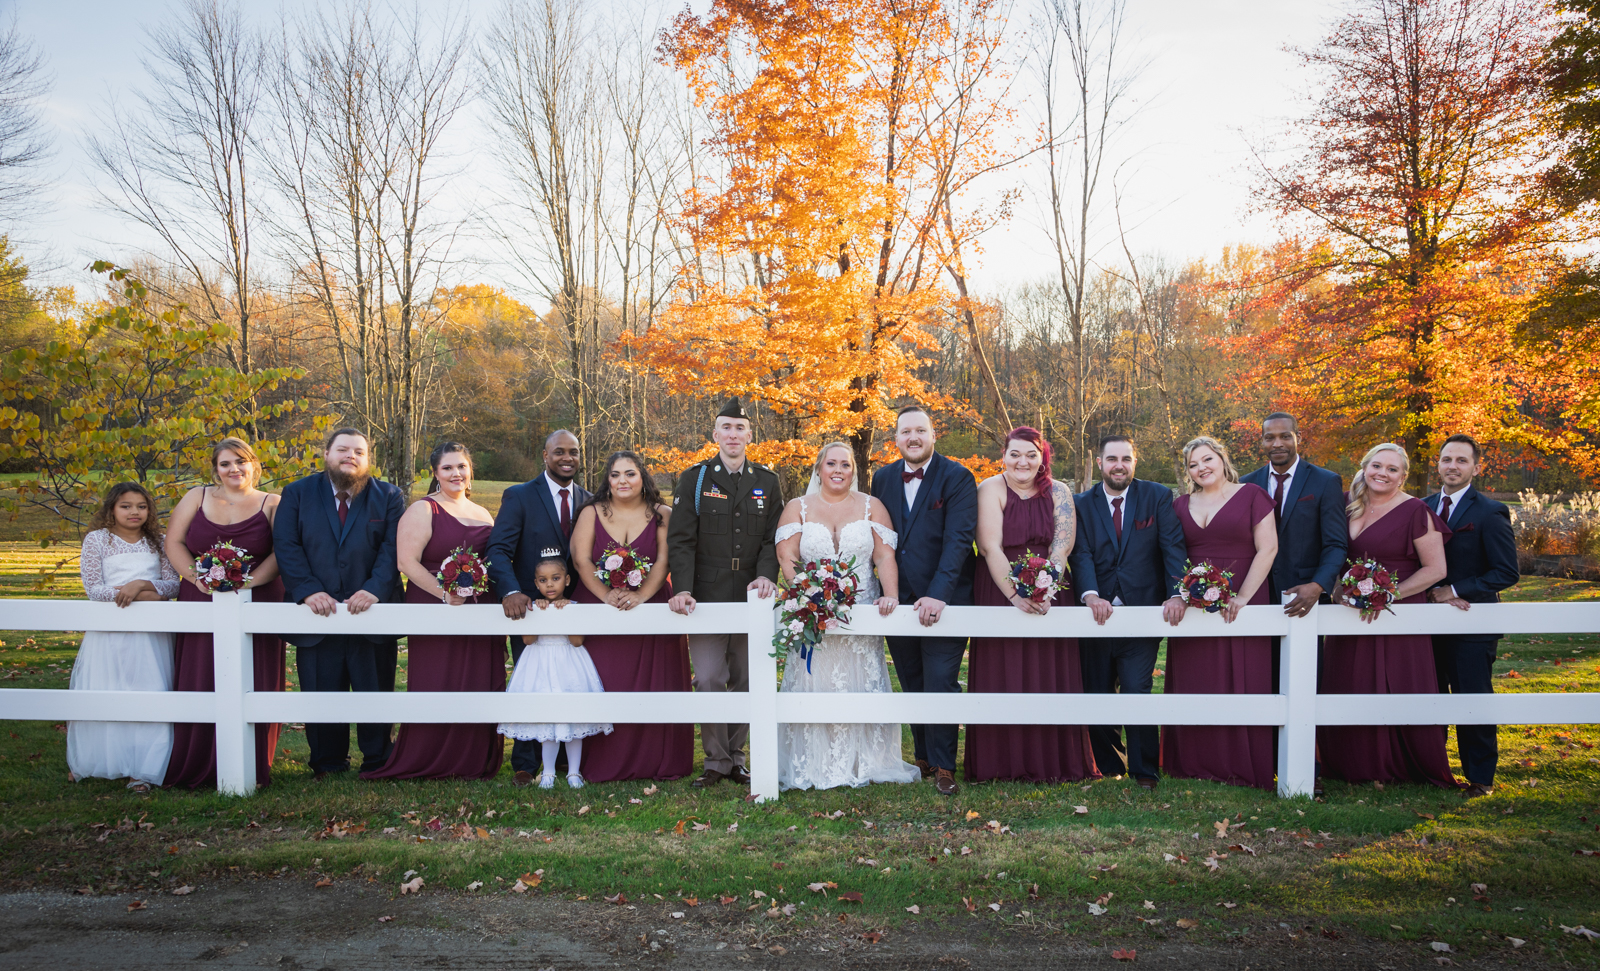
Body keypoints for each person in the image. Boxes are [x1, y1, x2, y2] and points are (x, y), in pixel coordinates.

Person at [773, 442, 919, 791]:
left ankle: (864, 760)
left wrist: (891, 595)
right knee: (816, 681)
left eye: (846, 464)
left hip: (861, 612)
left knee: (859, 680)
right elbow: (787, 555)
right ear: (819, 469)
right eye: (831, 464)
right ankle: (812, 761)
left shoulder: (872, 506)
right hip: (813, 615)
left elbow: (884, 558)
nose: (838, 470)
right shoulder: (798, 507)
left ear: (854, 470)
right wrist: (807, 596)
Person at [363, 443, 504, 781]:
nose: (456, 474)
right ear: (436, 474)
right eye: (448, 468)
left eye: (462, 467)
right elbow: (405, 562)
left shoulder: (483, 514)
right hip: (435, 606)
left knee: (477, 680)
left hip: (479, 609)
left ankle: (472, 757)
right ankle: (432, 754)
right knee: (439, 677)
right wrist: (445, 594)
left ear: (470, 471)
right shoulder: (424, 510)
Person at [1320, 442, 1458, 789]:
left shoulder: (1415, 512)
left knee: (1396, 682)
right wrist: (1338, 588)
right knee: (1349, 681)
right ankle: (1348, 762)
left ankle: (1401, 763)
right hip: (1349, 613)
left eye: (1392, 469)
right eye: (1376, 466)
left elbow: (1435, 569)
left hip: (1398, 612)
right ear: (1364, 467)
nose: (1382, 473)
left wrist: (1387, 594)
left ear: (1403, 476)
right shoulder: (1346, 505)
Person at [965, 427, 1098, 784]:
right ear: (1004, 456)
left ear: (1043, 457)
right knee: (1002, 667)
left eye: (1031, 454)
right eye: (1015, 454)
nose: (1023, 461)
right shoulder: (990, 488)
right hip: (999, 586)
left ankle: (1055, 762)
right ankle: (999, 764)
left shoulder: (1059, 491)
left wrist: (1045, 587)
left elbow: (1062, 546)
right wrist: (1014, 594)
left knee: (1049, 667)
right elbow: (990, 546)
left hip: (1050, 588)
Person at [273, 427, 406, 780]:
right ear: (327, 454)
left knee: (374, 688)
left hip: (373, 612)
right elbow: (287, 545)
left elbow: (393, 548)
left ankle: (378, 759)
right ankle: (328, 762)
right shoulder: (297, 493)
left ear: (367, 459)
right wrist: (307, 589)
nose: (351, 456)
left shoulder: (388, 496)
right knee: (321, 688)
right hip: (318, 613)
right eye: (343, 449)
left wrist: (375, 589)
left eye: (359, 451)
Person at [667, 398, 784, 788]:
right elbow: (681, 540)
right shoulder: (695, 479)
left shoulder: (767, 481)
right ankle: (715, 760)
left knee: (748, 679)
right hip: (706, 596)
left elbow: (772, 539)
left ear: (750, 435)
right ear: (715, 434)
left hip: (752, 596)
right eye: (726, 428)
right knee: (711, 677)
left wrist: (769, 576)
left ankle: (736, 757)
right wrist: (682, 588)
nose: (733, 435)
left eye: (740, 428)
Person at [163, 438, 287, 789]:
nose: (235, 469)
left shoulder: (272, 503)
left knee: (254, 674)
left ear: (254, 465)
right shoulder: (196, 497)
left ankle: (253, 763)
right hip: (201, 596)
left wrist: (245, 584)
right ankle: (196, 759)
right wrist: (199, 580)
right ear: (215, 469)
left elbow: (282, 554)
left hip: (259, 596)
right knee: (201, 672)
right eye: (226, 464)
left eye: (241, 462)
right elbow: (174, 542)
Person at [869, 404, 977, 797]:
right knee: (912, 680)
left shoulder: (958, 477)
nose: (913, 438)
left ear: (933, 436)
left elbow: (959, 541)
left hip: (944, 598)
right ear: (896, 440)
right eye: (905, 432)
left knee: (941, 681)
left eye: (920, 431)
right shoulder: (881, 479)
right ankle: (924, 756)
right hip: (898, 600)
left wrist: (938, 595)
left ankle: (946, 765)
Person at [1070, 435, 1187, 790]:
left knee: (1138, 689)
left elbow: (1172, 548)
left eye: (1126, 458)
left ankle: (1144, 771)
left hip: (1142, 614)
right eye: (1112, 459)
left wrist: (1177, 593)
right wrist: (1090, 595)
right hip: (1095, 615)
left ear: (1135, 462)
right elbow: (1082, 553)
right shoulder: (1081, 503)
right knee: (1097, 690)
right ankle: (1109, 765)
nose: (1119, 465)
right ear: (1101, 463)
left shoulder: (1157, 496)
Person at [1162, 437, 1279, 790]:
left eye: (1207, 459)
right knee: (1197, 676)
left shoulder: (1253, 496)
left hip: (1243, 598)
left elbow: (1268, 547)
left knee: (1242, 676)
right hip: (1194, 602)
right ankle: (1194, 761)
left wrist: (1244, 596)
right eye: (1194, 464)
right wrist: (1180, 594)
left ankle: (1243, 762)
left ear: (1222, 458)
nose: (1202, 468)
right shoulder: (1180, 505)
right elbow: (1172, 554)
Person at [569, 450, 693, 782]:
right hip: (598, 606)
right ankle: (600, 761)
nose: (622, 481)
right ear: (606, 481)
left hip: (652, 607)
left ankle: (657, 759)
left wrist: (640, 596)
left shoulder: (663, 514)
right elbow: (582, 561)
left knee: (654, 684)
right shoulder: (591, 513)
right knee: (605, 680)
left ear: (643, 478)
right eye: (615, 475)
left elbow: (665, 560)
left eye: (630, 474)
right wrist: (606, 595)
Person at [486, 429, 592, 786]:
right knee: (532, 683)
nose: (567, 458)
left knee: (570, 683)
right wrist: (512, 591)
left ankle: (566, 761)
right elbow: (498, 550)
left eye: (573, 452)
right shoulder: (519, 496)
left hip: (575, 608)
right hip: (529, 611)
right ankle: (526, 763)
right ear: (545, 456)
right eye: (559, 452)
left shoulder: (589, 501)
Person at [68, 482, 181, 792]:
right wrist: (136, 593)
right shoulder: (97, 540)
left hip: (152, 634)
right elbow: (94, 588)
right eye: (126, 506)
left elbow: (172, 585)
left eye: (141, 506)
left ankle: (143, 768)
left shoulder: (159, 541)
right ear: (112, 509)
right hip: (111, 631)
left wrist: (141, 583)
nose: (134, 512)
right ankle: (100, 759)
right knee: (109, 689)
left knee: (151, 690)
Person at [1425, 433, 1518, 798]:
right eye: (1447, 459)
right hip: (1427, 623)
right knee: (1430, 697)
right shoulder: (1423, 506)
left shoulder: (1490, 511)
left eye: (1462, 461)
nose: (1453, 466)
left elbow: (1506, 572)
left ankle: (1480, 778)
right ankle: (1433, 768)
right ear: (1438, 463)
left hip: (1472, 623)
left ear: (1476, 468)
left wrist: (1456, 590)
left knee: (1471, 697)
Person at [498, 554, 612, 788]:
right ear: (536, 583)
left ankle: (573, 772)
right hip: (540, 664)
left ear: (567, 580)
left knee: (574, 718)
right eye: (543, 580)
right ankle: (548, 772)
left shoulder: (575, 608)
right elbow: (528, 640)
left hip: (569, 665)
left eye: (556, 578)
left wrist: (565, 613)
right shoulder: (533, 607)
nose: (549, 584)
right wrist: (541, 614)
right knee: (546, 719)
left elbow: (577, 641)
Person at [1240, 413, 1349, 619]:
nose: (1277, 444)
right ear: (1262, 441)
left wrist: (1317, 586)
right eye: (1270, 437)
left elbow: (1336, 544)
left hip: (1306, 596)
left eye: (1285, 436)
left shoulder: (1326, 481)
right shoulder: (1247, 483)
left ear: (1298, 436)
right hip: (1257, 594)